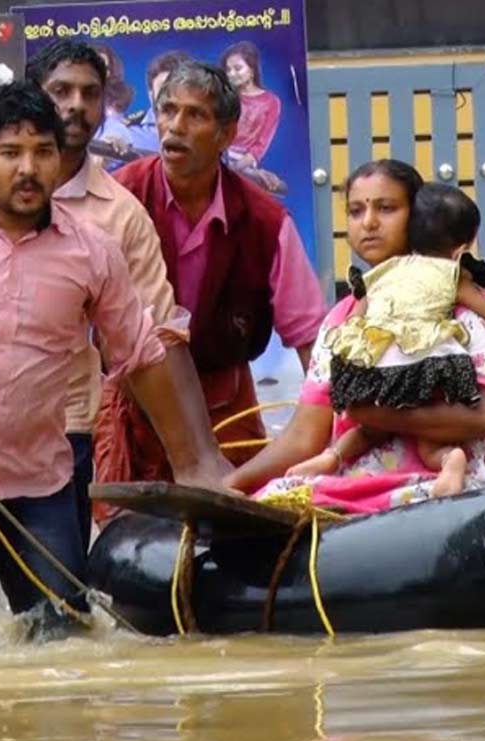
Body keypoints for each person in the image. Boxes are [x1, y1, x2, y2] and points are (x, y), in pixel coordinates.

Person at [0, 80, 216, 650]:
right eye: (10, 154)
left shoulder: (90, 251)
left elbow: (140, 354)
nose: (29, 169)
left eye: (43, 152)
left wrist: (194, 470)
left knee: (65, 647)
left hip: (39, 483)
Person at [225, 159, 485, 511]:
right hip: (358, 476)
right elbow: (304, 435)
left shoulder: (465, 307)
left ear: (419, 216)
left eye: (387, 208)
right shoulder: (343, 317)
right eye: (356, 210)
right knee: (276, 499)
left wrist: (376, 416)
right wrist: (232, 483)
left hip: (450, 481)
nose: (369, 223)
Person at [95, 60, 327, 515]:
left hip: (226, 405)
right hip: (133, 403)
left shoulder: (266, 221)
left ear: (227, 134)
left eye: (195, 115)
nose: (174, 127)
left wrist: (332, 441)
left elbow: (312, 342)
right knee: (127, 549)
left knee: (235, 541)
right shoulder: (116, 197)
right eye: (167, 111)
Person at [220, 41, 284, 194]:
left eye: (237, 68)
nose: (232, 74)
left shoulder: (271, 102)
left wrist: (239, 167)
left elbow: (261, 144)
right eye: (228, 70)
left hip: (246, 163)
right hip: (219, 158)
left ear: (252, 70)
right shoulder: (225, 97)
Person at [127, 50, 193, 154]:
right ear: (150, 95)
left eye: (178, 85)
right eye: (163, 87)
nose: (171, 94)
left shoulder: (209, 129)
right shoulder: (127, 133)